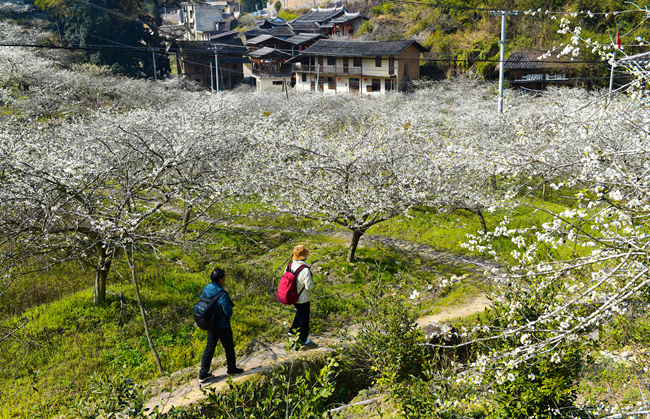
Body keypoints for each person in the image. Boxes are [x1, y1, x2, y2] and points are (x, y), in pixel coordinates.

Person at [198, 268, 244, 383]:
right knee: (228, 347)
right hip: (222, 325)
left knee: (209, 349)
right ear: (220, 279)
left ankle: (202, 374)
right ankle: (231, 369)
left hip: (210, 325)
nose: (225, 278)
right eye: (224, 276)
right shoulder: (222, 293)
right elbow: (228, 312)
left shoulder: (206, 288)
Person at [288, 245, 316, 350]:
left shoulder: (289, 265)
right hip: (303, 298)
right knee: (304, 319)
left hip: (293, 296)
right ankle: (303, 340)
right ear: (304, 257)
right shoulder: (305, 269)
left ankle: (291, 332)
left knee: (299, 313)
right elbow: (308, 286)